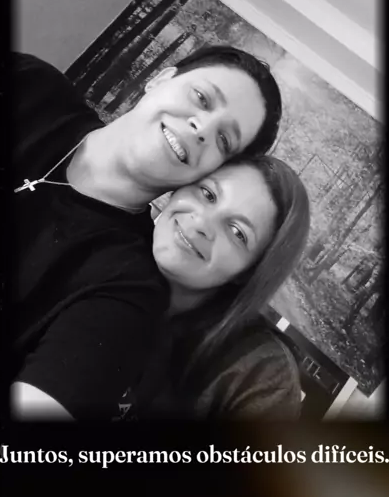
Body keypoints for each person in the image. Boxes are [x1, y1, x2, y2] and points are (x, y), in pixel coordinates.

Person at [10, 45, 283, 420]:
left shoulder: (130, 290)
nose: (202, 129)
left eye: (224, 140)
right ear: (159, 79)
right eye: (201, 97)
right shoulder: (31, 85)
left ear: (212, 170)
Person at [128, 154, 311, 420]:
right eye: (208, 194)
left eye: (238, 233)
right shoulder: (106, 245)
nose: (202, 223)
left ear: (248, 272)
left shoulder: (262, 372)